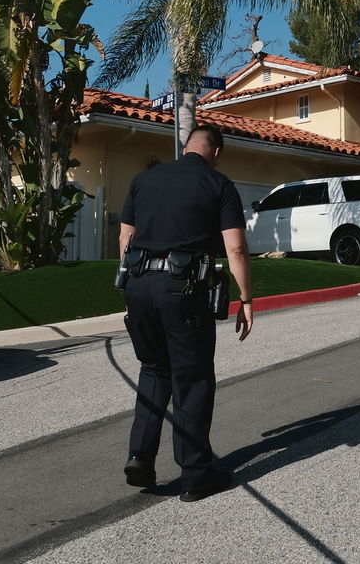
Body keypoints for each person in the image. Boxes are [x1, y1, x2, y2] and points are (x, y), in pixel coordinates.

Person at [117, 125, 255, 502]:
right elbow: (236, 249)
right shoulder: (218, 184)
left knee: (153, 369)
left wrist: (131, 290)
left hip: (139, 284)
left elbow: (125, 239)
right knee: (192, 378)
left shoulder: (144, 180)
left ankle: (139, 457)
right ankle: (195, 474)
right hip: (183, 288)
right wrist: (245, 299)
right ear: (216, 151)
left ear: (185, 145)